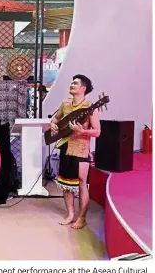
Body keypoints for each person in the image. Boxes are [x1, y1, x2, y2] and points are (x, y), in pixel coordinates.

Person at [50, 74, 101, 229]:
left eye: (75, 83)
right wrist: (52, 124)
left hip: (81, 149)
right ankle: (70, 214)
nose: (72, 85)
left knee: (81, 183)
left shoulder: (90, 108)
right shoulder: (65, 104)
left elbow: (97, 132)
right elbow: (55, 119)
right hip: (65, 146)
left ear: (83, 88)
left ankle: (82, 218)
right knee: (66, 183)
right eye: (71, 82)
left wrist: (82, 132)